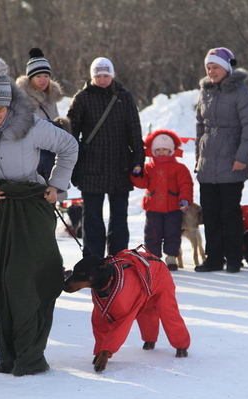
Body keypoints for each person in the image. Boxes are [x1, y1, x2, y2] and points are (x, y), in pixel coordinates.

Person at [0, 56, 78, 376]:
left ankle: (30, 353)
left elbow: (69, 148)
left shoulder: (33, 126)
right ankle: (9, 354)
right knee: (1, 287)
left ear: (10, 106)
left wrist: (57, 186)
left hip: (30, 208)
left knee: (31, 281)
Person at [67, 57, 145, 257]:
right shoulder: (82, 98)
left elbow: (134, 131)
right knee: (92, 217)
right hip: (91, 166)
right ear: (92, 76)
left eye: (106, 75)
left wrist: (138, 159)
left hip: (120, 165)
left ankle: (119, 259)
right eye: (98, 76)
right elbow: (71, 132)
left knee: (119, 217)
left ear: (113, 75)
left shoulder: (124, 97)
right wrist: (70, 160)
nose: (102, 79)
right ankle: (93, 259)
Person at [194, 47, 248, 273]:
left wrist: (242, 157)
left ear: (227, 68)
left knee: (230, 213)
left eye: (216, 67)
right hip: (207, 163)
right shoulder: (205, 92)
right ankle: (213, 258)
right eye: (208, 68)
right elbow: (200, 126)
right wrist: (198, 158)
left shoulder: (241, 92)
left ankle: (233, 257)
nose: (211, 72)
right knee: (210, 213)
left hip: (231, 160)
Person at [131, 129, 193, 271]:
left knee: (173, 233)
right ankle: (153, 258)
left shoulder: (179, 168)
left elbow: (186, 185)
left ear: (171, 150)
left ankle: (171, 257)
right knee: (152, 234)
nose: (161, 152)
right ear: (153, 151)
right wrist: (136, 174)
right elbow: (143, 183)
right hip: (153, 208)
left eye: (164, 149)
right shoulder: (149, 167)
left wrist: (184, 199)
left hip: (173, 208)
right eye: (158, 149)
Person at [16, 47, 68, 185]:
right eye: (38, 76)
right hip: (32, 161)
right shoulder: (21, 99)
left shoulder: (51, 97)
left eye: (46, 76)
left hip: (51, 159)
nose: (43, 80)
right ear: (30, 77)